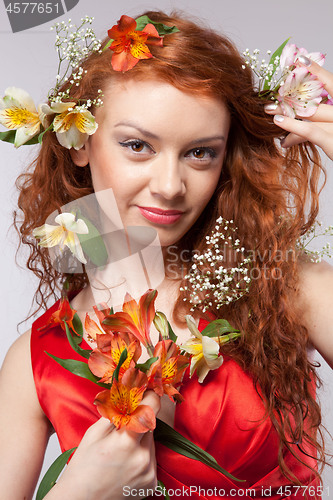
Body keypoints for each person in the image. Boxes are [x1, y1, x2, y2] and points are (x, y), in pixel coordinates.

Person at [0, 10, 332, 500]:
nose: (171, 186)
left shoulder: (283, 284)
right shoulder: (38, 360)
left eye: (201, 153)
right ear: (80, 143)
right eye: (138, 146)